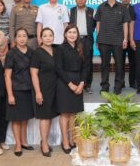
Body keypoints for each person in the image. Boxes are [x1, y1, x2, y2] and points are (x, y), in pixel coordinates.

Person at [55, 25, 90, 153]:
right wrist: (69, 84)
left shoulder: (81, 47)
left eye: (74, 32)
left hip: (78, 81)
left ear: (77, 34)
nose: (72, 34)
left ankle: (72, 139)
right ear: (65, 34)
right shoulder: (60, 48)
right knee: (65, 113)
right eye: (69, 32)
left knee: (73, 114)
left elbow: (86, 66)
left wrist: (82, 83)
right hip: (64, 83)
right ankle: (65, 141)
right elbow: (58, 68)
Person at [95, 0, 130, 94]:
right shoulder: (101, 7)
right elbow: (98, 23)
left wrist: (125, 39)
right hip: (103, 40)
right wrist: (98, 38)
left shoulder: (122, 7)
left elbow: (125, 24)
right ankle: (104, 87)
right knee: (104, 65)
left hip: (118, 40)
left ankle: (118, 87)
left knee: (119, 65)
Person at [5, 28, 34, 156]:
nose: (22, 38)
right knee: (16, 119)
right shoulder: (11, 53)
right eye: (19, 36)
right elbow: (7, 76)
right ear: (15, 38)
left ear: (27, 38)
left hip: (28, 90)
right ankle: (17, 144)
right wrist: (10, 94)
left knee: (25, 118)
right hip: (16, 90)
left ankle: (24, 141)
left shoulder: (31, 52)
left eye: (24, 36)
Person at [30, 28, 58, 157]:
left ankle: (44, 140)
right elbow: (33, 74)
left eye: (50, 35)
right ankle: (44, 144)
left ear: (53, 37)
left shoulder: (56, 51)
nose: (48, 38)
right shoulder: (37, 53)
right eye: (45, 36)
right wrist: (38, 92)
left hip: (55, 88)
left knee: (50, 116)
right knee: (45, 117)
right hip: (43, 88)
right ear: (41, 38)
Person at [69, 0, 95, 93]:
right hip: (74, 40)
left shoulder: (91, 11)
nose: (80, 0)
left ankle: (87, 85)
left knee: (88, 63)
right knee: (75, 61)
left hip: (87, 40)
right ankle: (76, 83)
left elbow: (94, 25)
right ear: (75, 0)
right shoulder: (71, 11)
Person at [120, 0, 136, 90]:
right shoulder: (118, 8)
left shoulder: (134, 9)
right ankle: (121, 83)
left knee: (133, 62)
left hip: (132, 40)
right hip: (120, 40)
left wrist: (132, 39)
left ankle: (132, 82)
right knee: (120, 63)